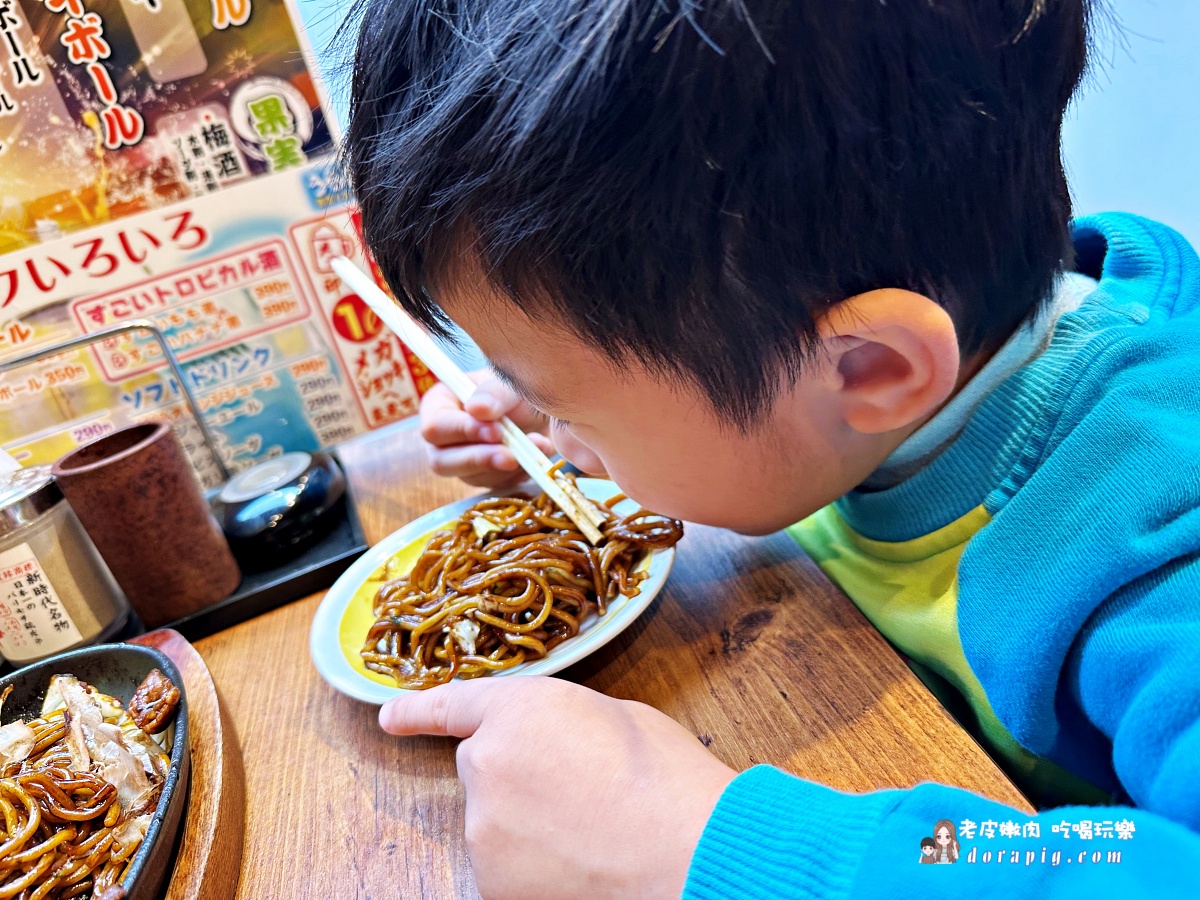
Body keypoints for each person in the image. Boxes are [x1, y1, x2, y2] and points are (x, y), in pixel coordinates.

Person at [343, 0, 1200, 895]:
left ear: (868, 368)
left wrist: (698, 849)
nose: (552, 440)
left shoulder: (1151, 539)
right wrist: (568, 420)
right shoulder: (866, 375)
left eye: (565, 412)